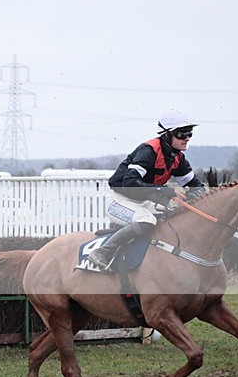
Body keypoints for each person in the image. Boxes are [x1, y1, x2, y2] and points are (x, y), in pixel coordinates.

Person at [86, 109, 206, 270]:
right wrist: (162, 190)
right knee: (147, 221)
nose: (187, 138)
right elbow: (129, 183)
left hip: (142, 202)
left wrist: (195, 195)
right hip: (119, 200)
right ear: (166, 134)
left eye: (189, 133)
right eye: (181, 134)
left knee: (174, 215)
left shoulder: (178, 157)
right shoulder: (148, 151)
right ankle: (102, 252)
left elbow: (196, 185)